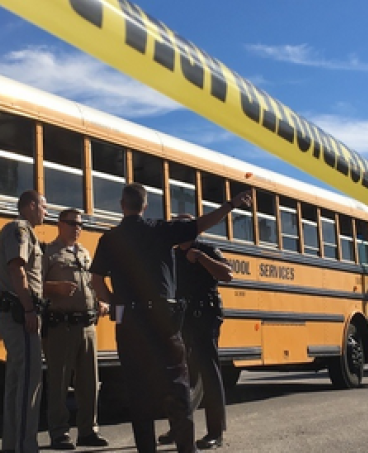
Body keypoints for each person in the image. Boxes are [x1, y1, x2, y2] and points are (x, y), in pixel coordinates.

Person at [90, 183, 251, 453]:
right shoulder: (161, 230)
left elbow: (96, 281)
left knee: (137, 386)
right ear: (145, 205)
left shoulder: (109, 239)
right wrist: (231, 205)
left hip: (129, 320)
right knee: (177, 384)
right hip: (163, 318)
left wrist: (115, 300)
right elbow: (203, 223)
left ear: (122, 205)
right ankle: (186, 448)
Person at [159, 214, 234, 450]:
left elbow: (227, 275)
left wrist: (201, 258)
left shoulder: (207, 249)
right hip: (181, 318)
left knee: (208, 373)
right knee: (180, 376)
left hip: (205, 317)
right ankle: (179, 428)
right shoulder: (172, 254)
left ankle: (215, 432)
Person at [41, 208, 110, 450]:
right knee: (58, 382)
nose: (77, 227)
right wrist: (54, 288)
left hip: (87, 325)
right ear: (59, 225)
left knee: (90, 383)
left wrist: (101, 301)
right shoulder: (48, 253)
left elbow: (91, 283)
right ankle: (59, 433)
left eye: (80, 224)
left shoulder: (84, 253)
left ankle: (88, 431)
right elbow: (34, 285)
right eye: (71, 223)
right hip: (62, 325)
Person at [0, 190, 47, 453]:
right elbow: (17, 268)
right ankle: (26, 446)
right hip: (20, 314)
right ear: (30, 205)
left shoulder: (21, 230)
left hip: (16, 311)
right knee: (29, 381)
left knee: (17, 382)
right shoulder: (20, 229)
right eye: (43, 206)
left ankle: (13, 444)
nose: (45, 212)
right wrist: (29, 309)